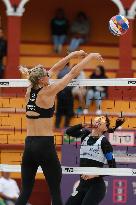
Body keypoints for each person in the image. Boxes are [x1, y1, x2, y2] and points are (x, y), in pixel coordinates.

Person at [16, 50, 103, 205]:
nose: (49, 75)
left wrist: (72, 55)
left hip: (28, 145)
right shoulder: (48, 91)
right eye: (46, 74)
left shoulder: (30, 89)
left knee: (25, 192)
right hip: (44, 146)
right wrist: (90, 57)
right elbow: (72, 73)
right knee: (55, 191)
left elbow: (55, 69)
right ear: (41, 79)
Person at [65, 116, 125, 205]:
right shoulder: (85, 134)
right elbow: (68, 132)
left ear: (105, 128)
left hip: (96, 187)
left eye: (101, 121)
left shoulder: (105, 143)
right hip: (82, 186)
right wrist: (82, 125)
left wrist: (95, 174)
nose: (98, 121)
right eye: (97, 119)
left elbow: (113, 168)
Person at [55, 63, 74, 128]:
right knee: (68, 111)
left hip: (60, 93)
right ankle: (66, 126)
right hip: (68, 93)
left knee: (59, 111)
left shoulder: (60, 72)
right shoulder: (71, 71)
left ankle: (57, 125)